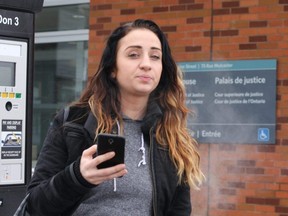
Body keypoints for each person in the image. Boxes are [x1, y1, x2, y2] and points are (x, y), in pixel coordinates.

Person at [27, 19, 205, 216]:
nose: (146, 64)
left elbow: (179, 211)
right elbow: (36, 205)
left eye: (155, 56)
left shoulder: (171, 135)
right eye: (133, 55)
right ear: (113, 69)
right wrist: (77, 176)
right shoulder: (74, 123)